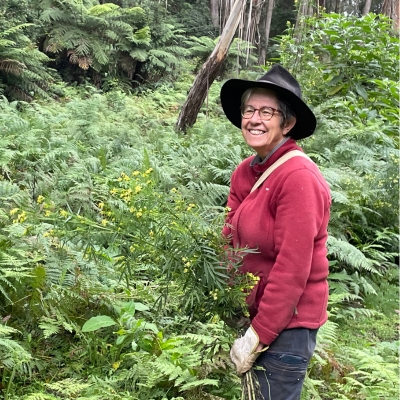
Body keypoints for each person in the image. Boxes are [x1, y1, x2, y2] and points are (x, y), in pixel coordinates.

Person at [220, 65, 331, 400]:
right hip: (252, 316)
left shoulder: (298, 178)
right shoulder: (246, 171)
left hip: (286, 330)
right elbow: (228, 238)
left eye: (267, 111)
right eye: (249, 110)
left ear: (288, 123)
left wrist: (259, 334)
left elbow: (292, 268)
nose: (255, 119)